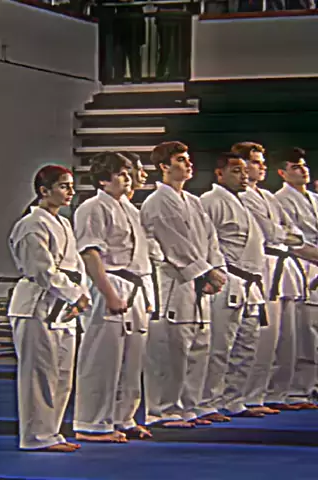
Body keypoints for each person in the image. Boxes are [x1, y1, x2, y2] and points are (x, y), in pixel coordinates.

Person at [141, 141, 227, 428]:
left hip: (199, 283)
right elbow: (175, 245)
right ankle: (162, 410)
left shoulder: (193, 201)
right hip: (174, 283)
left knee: (199, 346)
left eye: (188, 158)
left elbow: (211, 240)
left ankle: (190, 406)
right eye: (180, 159)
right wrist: (205, 273)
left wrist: (216, 270)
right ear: (164, 166)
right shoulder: (157, 201)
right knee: (171, 351)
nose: (188, 164)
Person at [8, 165, 91, 452]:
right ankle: (36, 437)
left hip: (63, 307)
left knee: (62, 375)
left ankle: (52, 432)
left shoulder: (63, 223)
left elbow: (77, 266)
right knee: (39, 374)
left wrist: (82, 295)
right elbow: (41, 271)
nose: (70, 191)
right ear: (44, 191)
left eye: (71, 186)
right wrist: (75, 295)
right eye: (63, 186)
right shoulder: (31, 224)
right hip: (36, 306)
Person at [73, 151, 154, 442]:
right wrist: (108, 294)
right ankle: (91, 423)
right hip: (110, 283)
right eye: (120, 174)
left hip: (135, 286)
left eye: (128, 173)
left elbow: (141, 256)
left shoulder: (130, 209)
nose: (127, 178)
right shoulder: (92, 208)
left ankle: (124, 417)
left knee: (132, 361)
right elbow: (90, 254)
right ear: (103, 179)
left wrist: (148, 296)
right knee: (102, 358)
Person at [232, 142, 306, 413]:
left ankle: (277, 393)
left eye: (262, 162)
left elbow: (295, 233)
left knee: (286, 338)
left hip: (283, 266)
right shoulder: (241, 197)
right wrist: (283, 233)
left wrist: (284, 233)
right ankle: (252, 396)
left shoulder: (267, 196)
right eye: (255, 162)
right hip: (263, 265)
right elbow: (271, 233)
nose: (261, 166)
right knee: (263, 337)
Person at [197, 153, 267, 421]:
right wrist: (209, 275)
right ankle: (207, 402)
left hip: (251, 282)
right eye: (236, 171)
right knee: (219, 347)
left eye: (245, 171)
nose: (244, 176)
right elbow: (204, 242)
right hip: (226, 280)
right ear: (219, 173)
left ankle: (234, 399)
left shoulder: (244, 201)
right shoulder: (210, 201)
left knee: (246, 347)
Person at [274, 148, 318, 407]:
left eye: (303, 165)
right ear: (282, 173)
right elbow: (291, 239)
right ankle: (299, 389)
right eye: (295, 167)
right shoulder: (280, 200)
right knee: (305, 332)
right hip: (304, 266)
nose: (303, 170)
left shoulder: (314, 198)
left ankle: (314, 385)